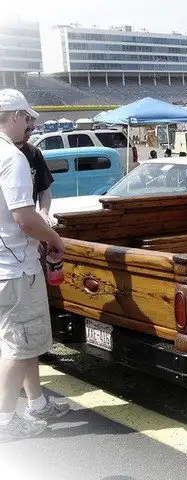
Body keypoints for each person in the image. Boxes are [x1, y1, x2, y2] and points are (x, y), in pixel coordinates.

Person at [0, 89, 70, 441]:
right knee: (17, 348)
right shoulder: (12, 157)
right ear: (14, 116)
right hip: (16, 267)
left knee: (21, 342)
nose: (29, 123)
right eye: (26, 117)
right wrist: (54, 239)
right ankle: (5, 421)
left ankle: (37, 403)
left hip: (5, 266)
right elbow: (24, 218)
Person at [14, 118, 55, 226]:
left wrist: (44, 213)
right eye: (26, 129)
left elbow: (44, 189)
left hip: (27, 223)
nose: (29, 134)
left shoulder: (34, 153)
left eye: (32, 130)